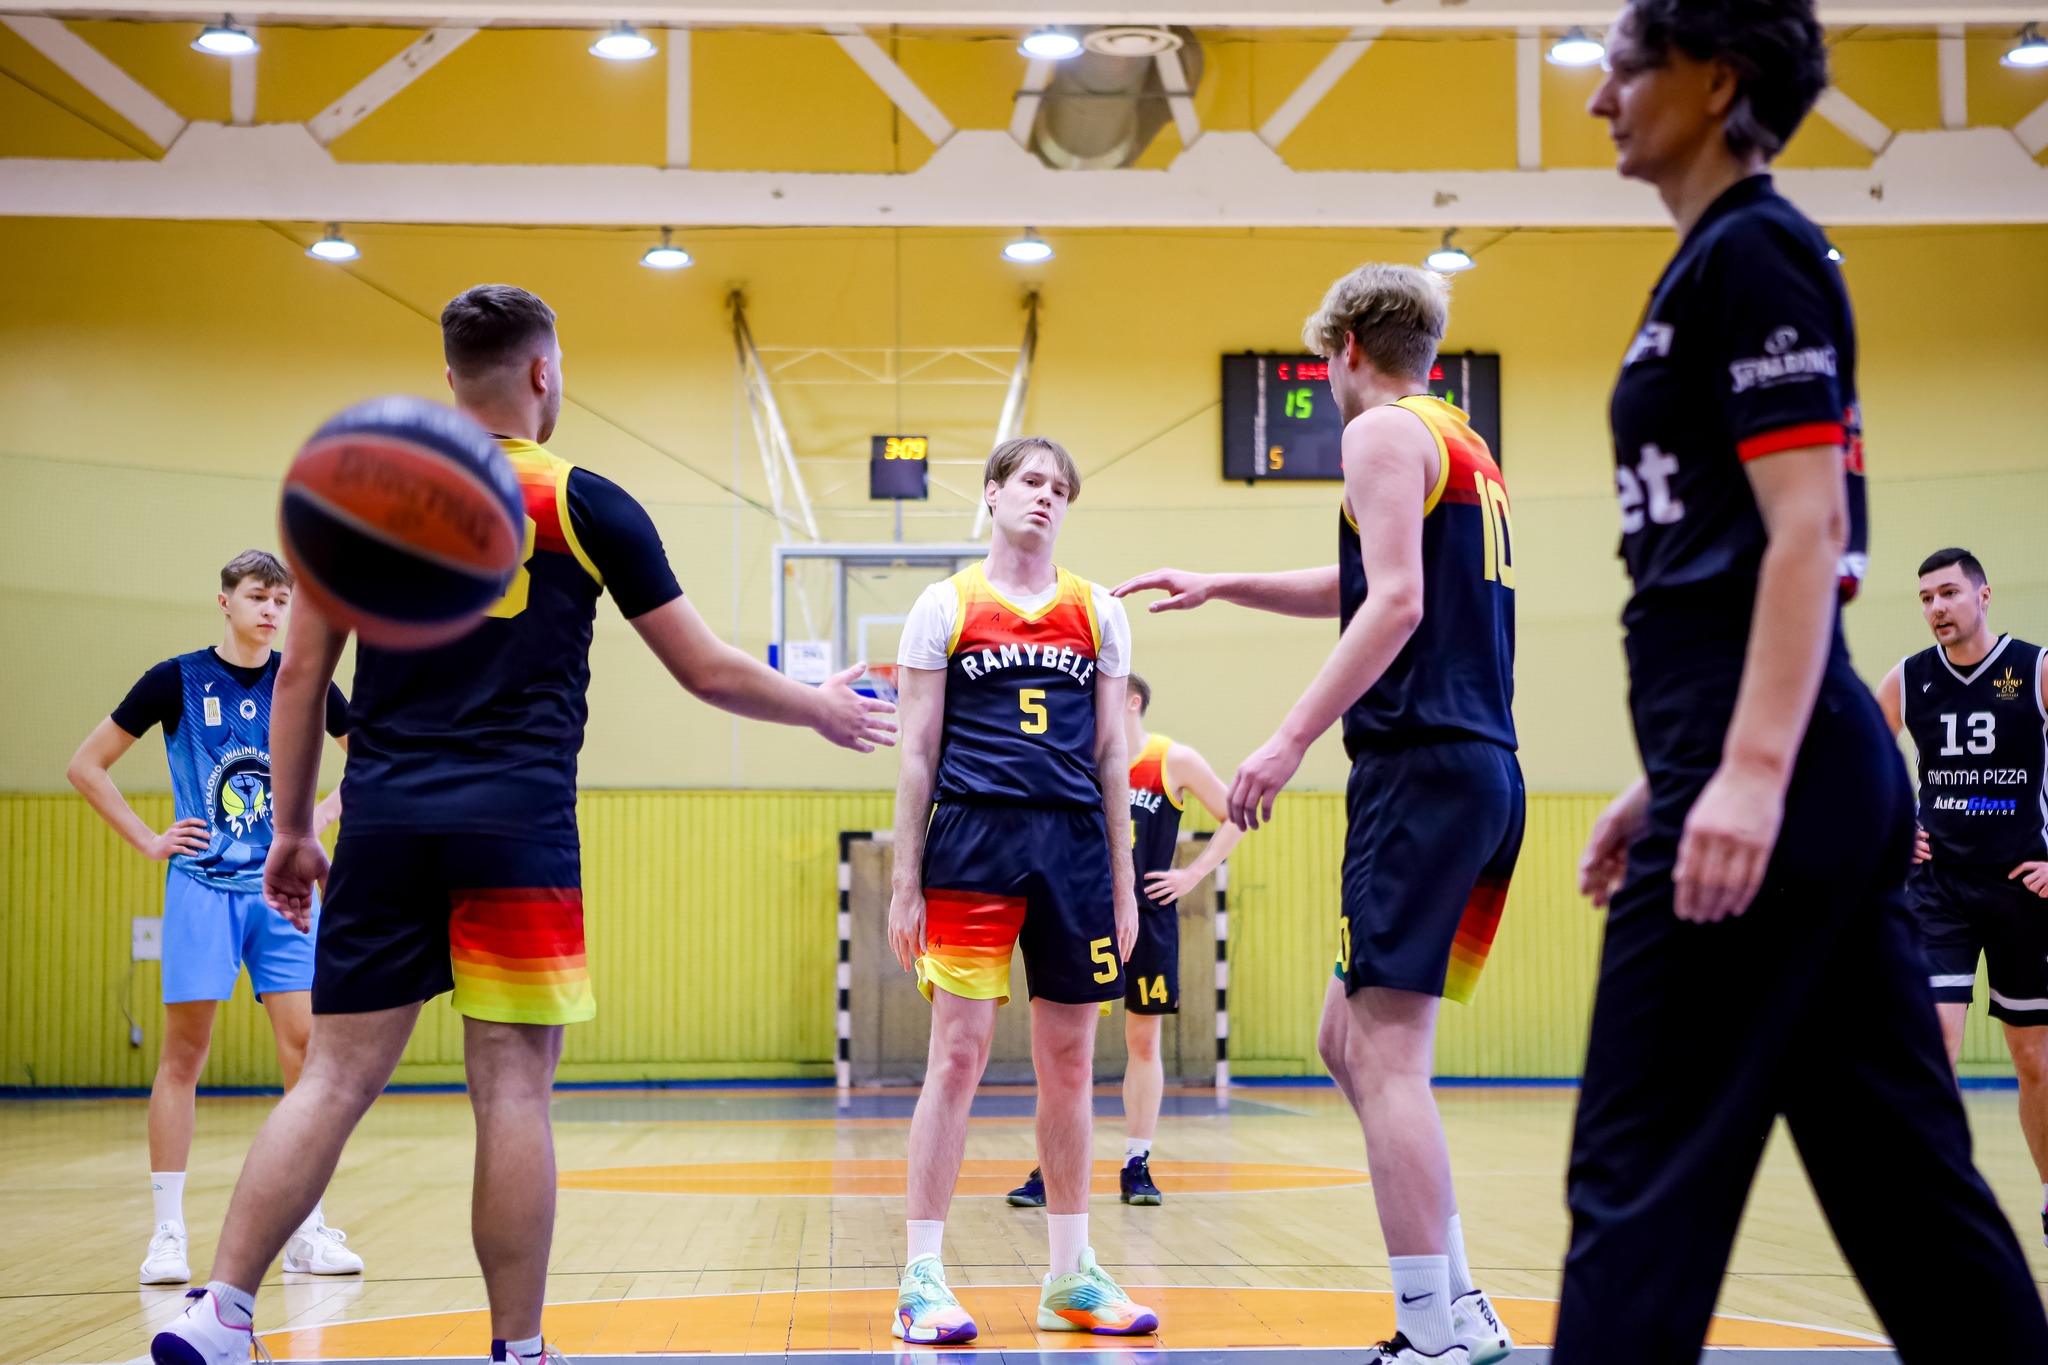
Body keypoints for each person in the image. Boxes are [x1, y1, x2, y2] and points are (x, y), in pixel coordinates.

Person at [147, 285, 896, 1365]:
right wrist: (820, 707)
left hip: (386, 822)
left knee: (333, 1078)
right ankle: (518, 1347)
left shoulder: (361, 503)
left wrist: (295, 832)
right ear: (543, 373)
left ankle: (220, 1310)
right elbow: (704, 669)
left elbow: (299, 680)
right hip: (518, 830)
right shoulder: (582, 502)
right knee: (510, 1091)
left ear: (451, 378)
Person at [1560, 5, 2048, 1361]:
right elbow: (1724, 551)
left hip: (1781, 789)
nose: (1600, 96)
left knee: (1632, 1185)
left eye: (1626, 67)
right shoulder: (1709, 264)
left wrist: (1746, 772)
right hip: (1781, 774)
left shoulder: (1758, 250)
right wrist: (1677, 776)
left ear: (1716, 80)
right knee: (1912, 1201)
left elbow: (1805, 531)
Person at [1116, 262, 1521, 1365]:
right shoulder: (1461, 444)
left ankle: (1431, 1326)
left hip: (1420, 769)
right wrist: (1223, 581)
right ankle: (1461, 1304)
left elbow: (1395, 602)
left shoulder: (1378, 433)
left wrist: (1287, 737)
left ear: (1344, 348)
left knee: (1387, 1061)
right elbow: (1368, 582)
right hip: (1476, 769)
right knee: (1345, 1042)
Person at [886, 436, 1156, 1344]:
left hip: (1074, 846)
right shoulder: (945, 605)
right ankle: (921, 1277)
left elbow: (1113, 755)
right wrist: (905, 880)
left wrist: (1122, 877)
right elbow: (916, 750)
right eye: (1031, 481)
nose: (1046, 496)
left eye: (1060, 488)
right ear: (993, 493)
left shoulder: (1101, 611)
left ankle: (1069, 1275)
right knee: (956, 1056)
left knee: (1072, 1064)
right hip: (973, 838)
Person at [67, 549, 357, 1286]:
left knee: (307, 1052)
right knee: (184, 1055)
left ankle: (307, 1228)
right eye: (258, 596)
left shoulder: (304, 678)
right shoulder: (176, 680)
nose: (271, 610)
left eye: (281, 600)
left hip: (283, 890)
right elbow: (86, 765)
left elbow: (373, 756)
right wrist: (148, 838)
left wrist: (321, 817)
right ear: (224, 601)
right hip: (201, 888)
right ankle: (168, 1233)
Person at [1007, 672, 1244, 1209]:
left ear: (1131, 700)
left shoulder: (1172, 759)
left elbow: (1236, 815)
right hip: (1082, 913)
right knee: (1066, 1046)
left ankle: (1137, 1162)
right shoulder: (1080, 757)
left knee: (1144, 1041)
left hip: (1148, 915)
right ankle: (1054, 1163)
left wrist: (1193, 873)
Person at [1874, 547, 2048, 1246]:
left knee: (2033, 1059)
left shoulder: (2034, 670)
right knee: (1933, 1043)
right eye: (1925, 598)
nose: (1937, 607)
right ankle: (1934, 1201)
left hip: (2020, 887)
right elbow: (1858, 754)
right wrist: (1894, 828)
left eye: (1948, 592)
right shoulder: (1908, 679)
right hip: (1938, 886)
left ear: (1983, 595)